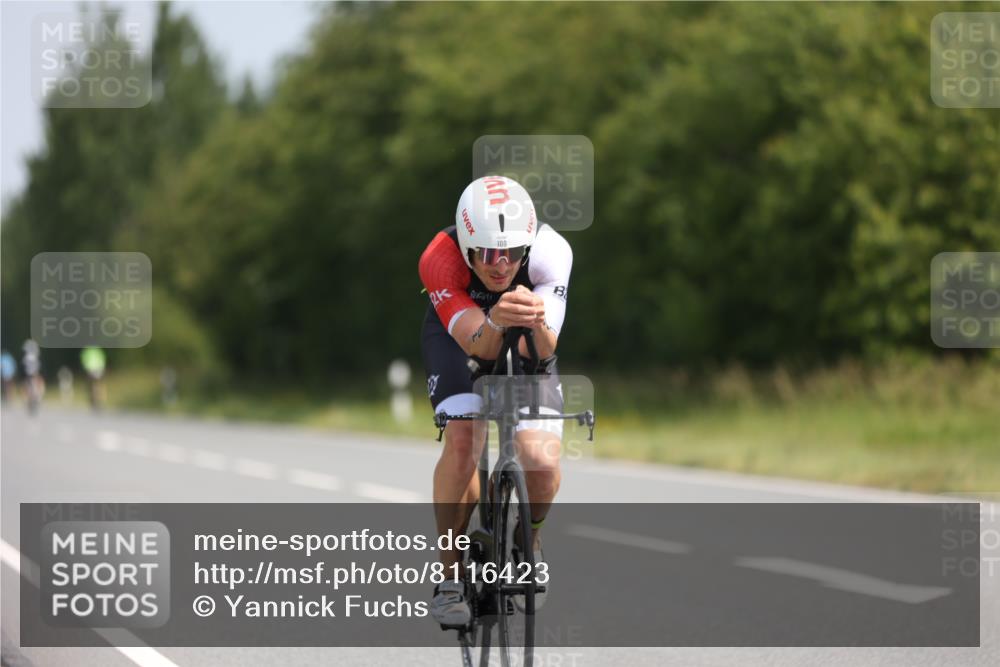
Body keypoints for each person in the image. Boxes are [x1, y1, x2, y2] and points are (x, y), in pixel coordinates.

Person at [418, 175, 572, 626]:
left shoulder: (550, 252)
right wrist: (496, 321)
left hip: (527, 332)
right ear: (467, 246)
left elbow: (541, 352)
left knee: (539, 459)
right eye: (486, 253)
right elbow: (479, 348)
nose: (501, 265)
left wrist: (533, 320)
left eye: (511, 252)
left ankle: (531, 541)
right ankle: (448, 576)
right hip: (461, 338)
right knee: (465, 439)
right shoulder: (439, 259)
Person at [80, 346, 107, 411]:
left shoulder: (87, 351)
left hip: (90, 369)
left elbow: (84, 360)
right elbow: (103, 358)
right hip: (99, 368)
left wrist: (86, 369)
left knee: (91, 385)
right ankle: (101, 399)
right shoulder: (98, 350)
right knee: (99, 384)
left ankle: (93, 400)